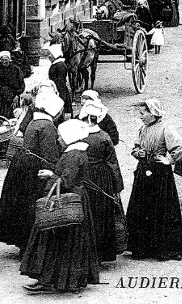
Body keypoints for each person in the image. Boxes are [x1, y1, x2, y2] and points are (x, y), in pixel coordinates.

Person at [20, 119, 99, 293]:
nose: (58, 140)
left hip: (67, 200)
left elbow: (67, 181)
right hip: (75, 198)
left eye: (61, 137)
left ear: (69, 137)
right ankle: (65, 280)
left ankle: (53, 280)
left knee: (57, 240)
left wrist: (51, 174)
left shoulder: (72, 155)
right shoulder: (78, 152)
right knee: (69, 243)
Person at [0, 92, 63, 252]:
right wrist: (54, 170)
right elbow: (49, 154)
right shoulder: (47, 126)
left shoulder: (34, 121)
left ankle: (23, 241)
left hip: (23, 162)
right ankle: (30, 242)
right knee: (32, 203)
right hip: (34, 166)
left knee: (20, 202)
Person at [127, 99, 182, 261]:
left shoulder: (166, 129)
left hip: (160, 174)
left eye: (143, 113)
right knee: (142, 208)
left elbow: (181, 148)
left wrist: (169, 160)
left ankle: (166, 249)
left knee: (162, 209)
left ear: (153, 113)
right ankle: (142, 248)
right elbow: (136, 147)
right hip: (143, 172)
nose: (141, 117)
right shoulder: (143, 129)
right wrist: (138, 152)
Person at [79, 100, 124, 263]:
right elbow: (113, 163)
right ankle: (101, 252)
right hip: (102, 178)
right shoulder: (104, 137)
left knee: (85, 212)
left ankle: (85, 251)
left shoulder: (79, 135)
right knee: (101, 213)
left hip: (85, 177)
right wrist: (117, 187)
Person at [0, 51, 25, 118]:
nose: (4, 62)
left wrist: (17, 95)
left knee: (12, 115)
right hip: (0, 95)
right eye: (2, 60)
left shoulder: (16, 69)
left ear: (9, 59)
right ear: (0, 60)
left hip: (12, 95)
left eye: (6, 60)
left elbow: (21, 84)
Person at [48, 44, 72, 116]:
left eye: (50, 54)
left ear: (55, 54)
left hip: (59, 90)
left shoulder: (60, 65)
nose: (49, 56)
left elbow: (60, 82)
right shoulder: (57, 64)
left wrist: (61, 97)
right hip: (56, 88)